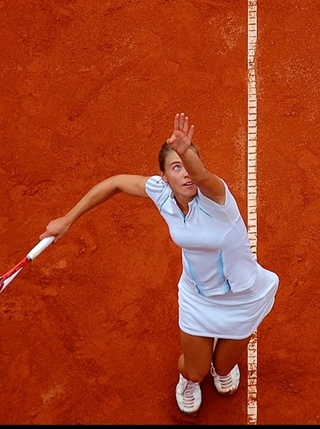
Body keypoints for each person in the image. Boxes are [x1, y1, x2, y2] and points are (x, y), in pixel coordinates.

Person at [40, 112, 279, 416]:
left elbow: (202, 176)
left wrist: (184, 151)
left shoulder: (218, 200)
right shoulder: (162, 194)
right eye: (176, 167)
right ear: (165, 177)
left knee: (222, 367)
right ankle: (188, 380)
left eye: (189, 162)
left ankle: (221, 368)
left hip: (243, 296)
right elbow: (116, 183)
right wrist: (68, 219)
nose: (186, 173)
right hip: (198, 296)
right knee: (196, 371)